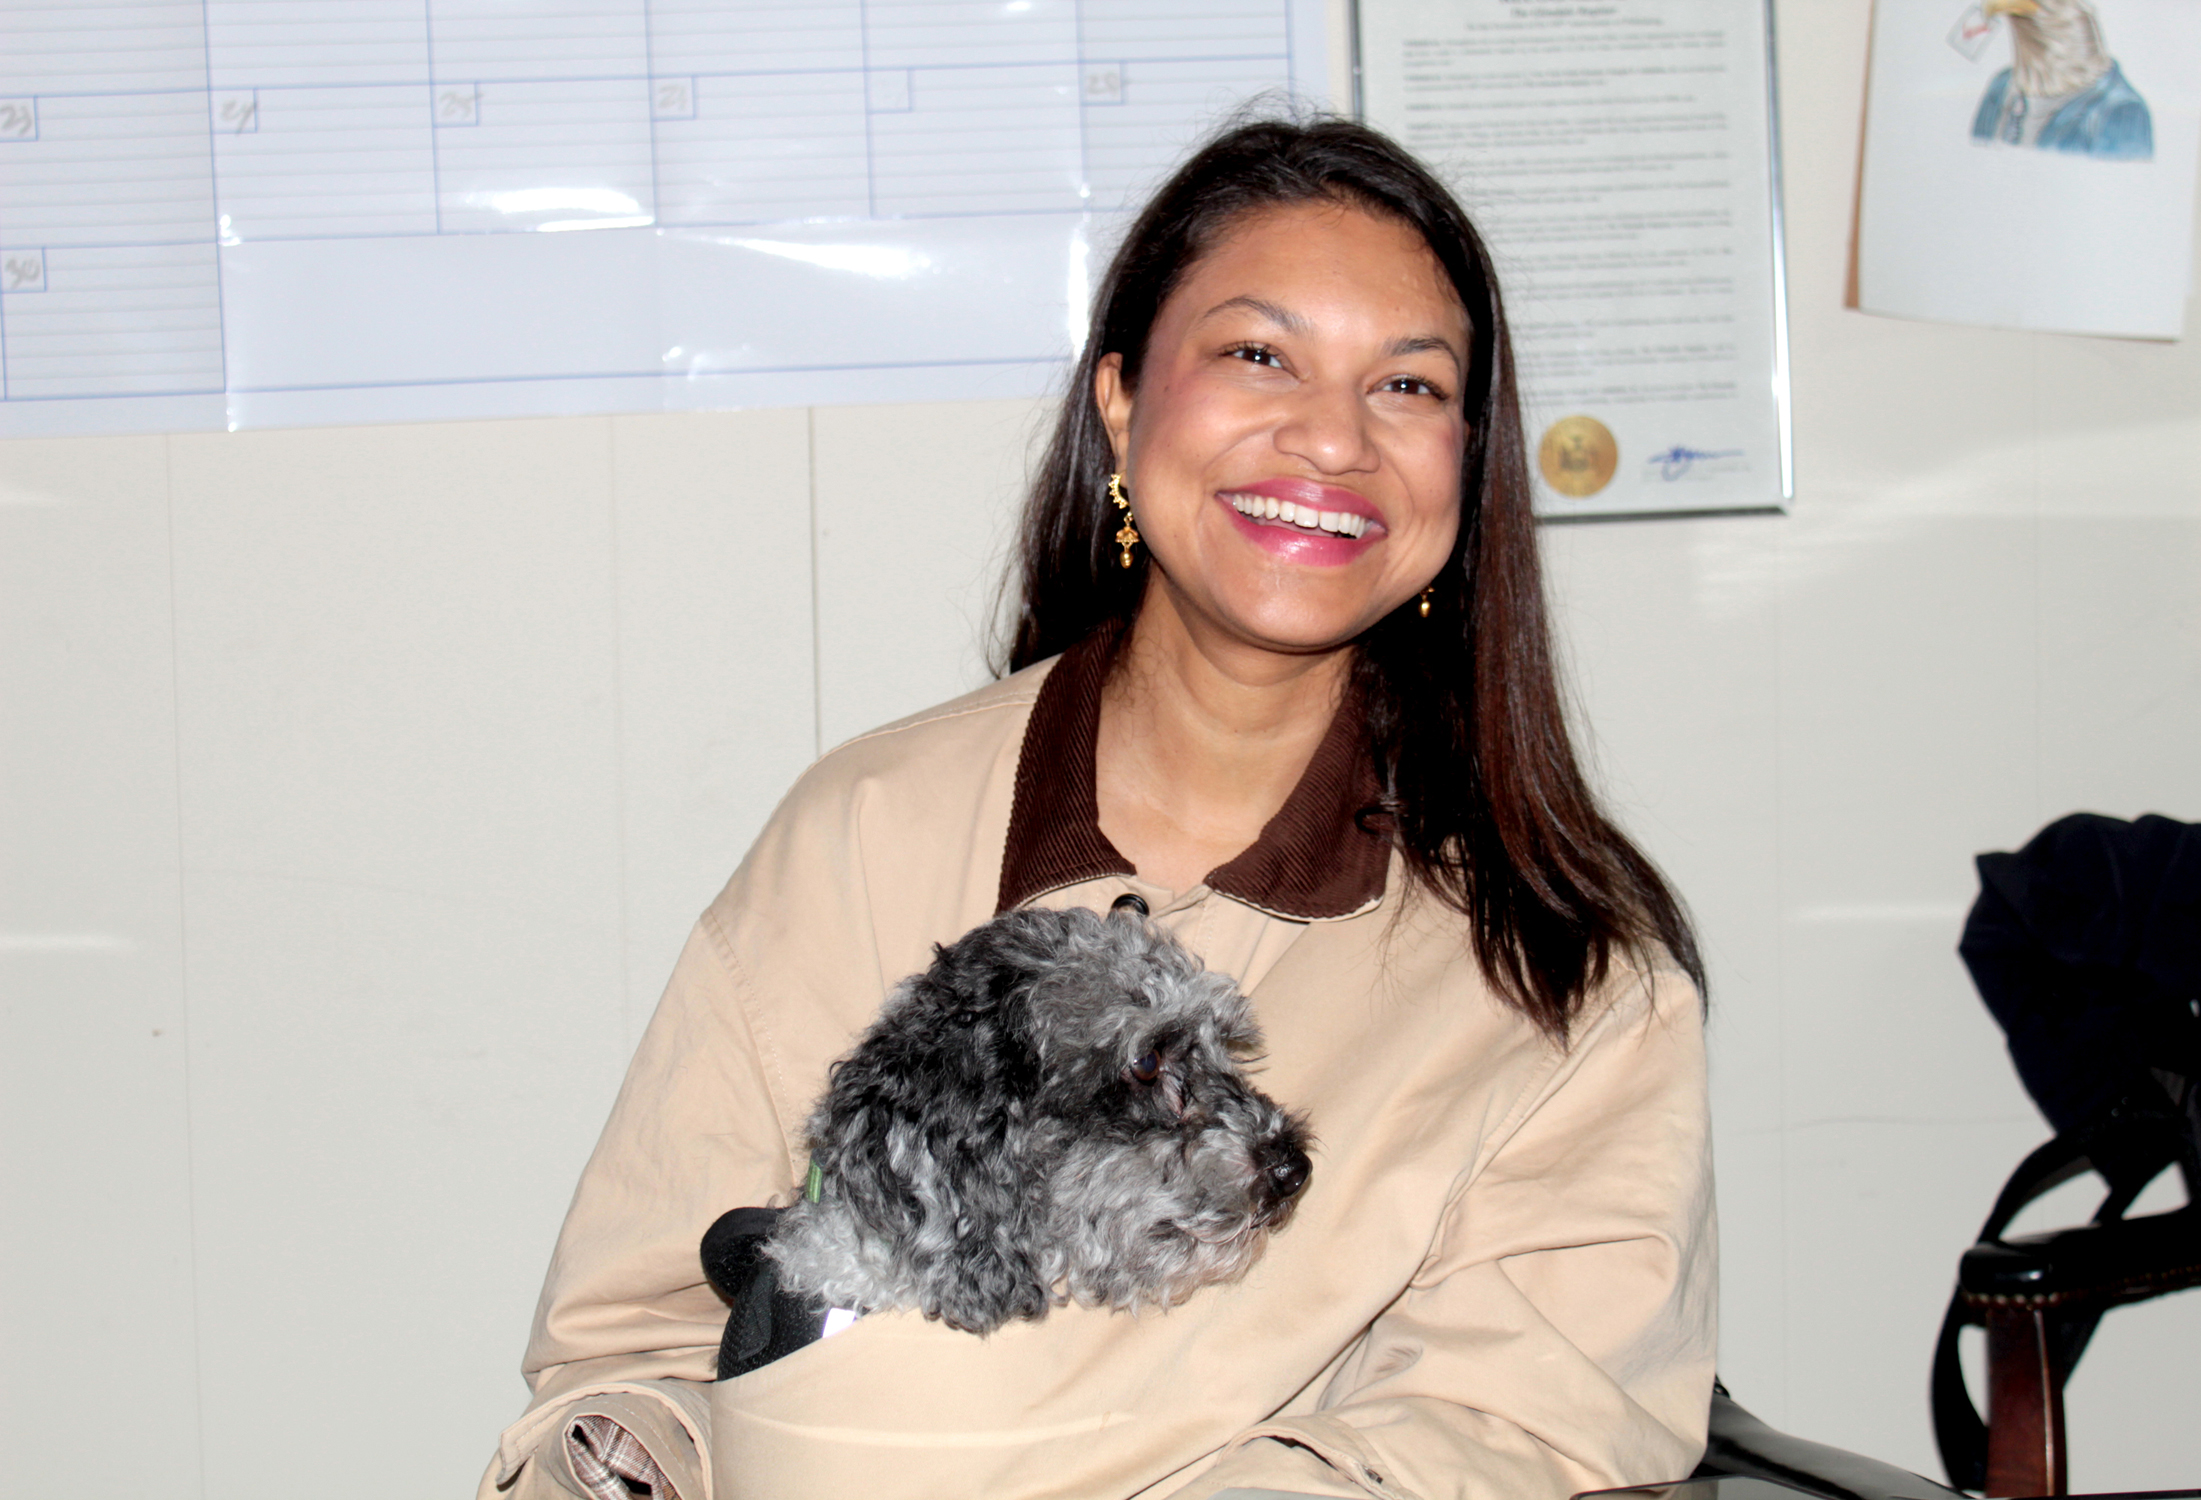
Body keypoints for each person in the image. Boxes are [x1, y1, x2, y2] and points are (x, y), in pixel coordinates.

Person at [478, 114, 1714, 1500]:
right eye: (1258, 355)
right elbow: (640, 1346)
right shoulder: (864, 830)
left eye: (1408, 386)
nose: (1330, 438)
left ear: (1465, 463)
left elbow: (1523, 1430)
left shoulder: (1562, 972)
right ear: (1122, 403)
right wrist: (630, 1459)